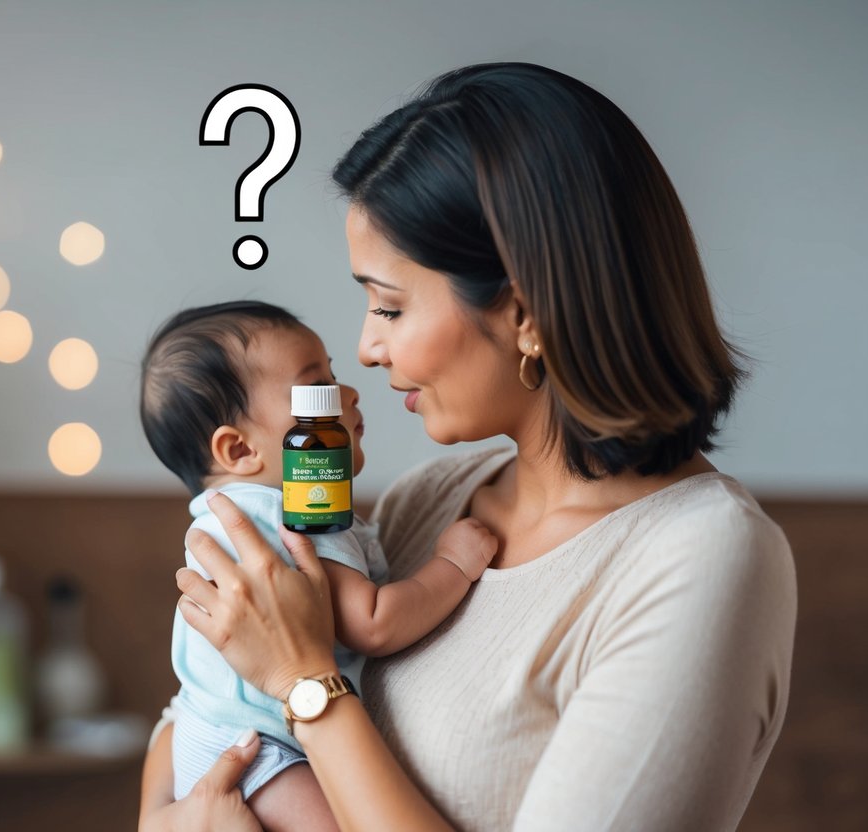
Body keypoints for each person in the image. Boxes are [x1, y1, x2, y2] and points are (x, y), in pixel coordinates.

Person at [138, 62, 797, 831]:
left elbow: (279, 670)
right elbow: (191, 715)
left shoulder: (699, 559)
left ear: (522, 312)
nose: (367, 348)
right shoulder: (432, 500)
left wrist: (305, 684)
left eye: (388, 307)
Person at [139, 301, 498, 832]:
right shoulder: (286, 512)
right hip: (258, 755)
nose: (347, 393)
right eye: (316, 389)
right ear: (239, 449)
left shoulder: (228, 516)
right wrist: (452, 565)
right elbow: (370, 622)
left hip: (211, 737)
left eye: (332, 375)